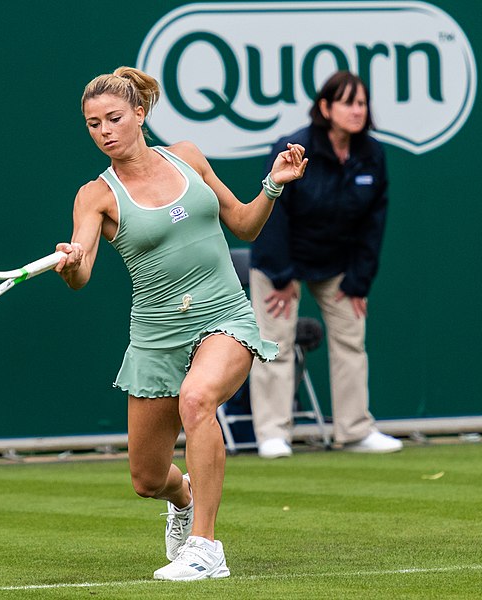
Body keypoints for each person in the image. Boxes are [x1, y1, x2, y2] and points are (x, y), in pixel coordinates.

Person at [53, 66, 307, 580]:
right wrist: (71, 262)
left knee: (198, 399)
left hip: (223, 315)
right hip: (155, 336)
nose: (104, 130)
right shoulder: (95, 196)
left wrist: (273, 187)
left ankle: (206, 547)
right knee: (147, 478)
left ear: (140, 114)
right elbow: (81, 276)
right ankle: (184, 496)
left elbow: (244, 223)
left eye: (114, 118)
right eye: (92, 123)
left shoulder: (187, 156)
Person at [249, 70, 402, 459]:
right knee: (275, 343)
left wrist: (359, 281)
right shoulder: (295, 148)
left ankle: (354, 430)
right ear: (325, 108)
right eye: (349, 102)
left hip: (336, 263)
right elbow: (274, 213)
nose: (358, 110)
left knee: (352, 337)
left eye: (362, 103)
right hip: (281, 260)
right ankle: (273, 434)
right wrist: (282, 277)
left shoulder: (372, 154)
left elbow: (374, 221)